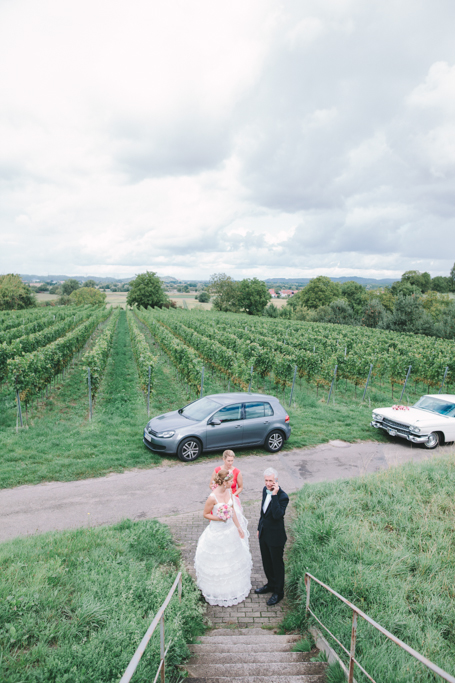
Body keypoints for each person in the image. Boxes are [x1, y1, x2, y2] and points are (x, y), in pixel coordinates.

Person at [195, 469, 252, 606]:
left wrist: (239, 527)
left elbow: (232, 513)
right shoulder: (212, 497)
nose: (233, 483)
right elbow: (205, 514)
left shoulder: (229, 492)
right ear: (225, 482)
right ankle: (218, 591)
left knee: (232, 560)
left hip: (230, 531)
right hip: (217, 532)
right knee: (218, 562)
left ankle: (233, 589)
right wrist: (219, 518)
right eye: (230, 481)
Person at [255, 467, 289, 606]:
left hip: (276, 537)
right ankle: (270, 584)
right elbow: (263, 512)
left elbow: (276, 515)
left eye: (271, 481)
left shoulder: (283, 497)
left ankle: (278, 592)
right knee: (267, 562)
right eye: (266, 480)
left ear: (276, 481)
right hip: (264, 533)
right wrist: (259, 528)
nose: (268, 483)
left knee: (277, 565)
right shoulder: (264, 490)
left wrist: (274, 495)